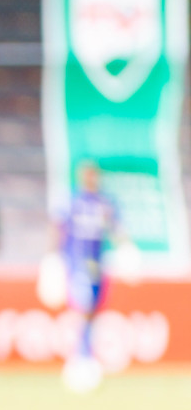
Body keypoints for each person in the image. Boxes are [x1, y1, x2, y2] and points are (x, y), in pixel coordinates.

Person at [54, 160, 126, 388]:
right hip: (77, 263)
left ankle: (84, 355)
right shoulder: (72, 201)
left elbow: (116, 230)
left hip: (97, 265)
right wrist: (53, 257)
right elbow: (57, 227)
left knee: (93, 312)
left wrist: (126, 247)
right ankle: (81, 358)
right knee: (83, 308)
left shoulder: (104, 203)